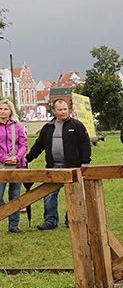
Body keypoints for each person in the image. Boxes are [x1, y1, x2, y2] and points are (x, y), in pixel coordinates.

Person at [25, 99, 92, 230]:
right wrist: (27, 159)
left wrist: (85, 162)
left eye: (65, 109)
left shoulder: (77, 126)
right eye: (60, 110)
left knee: (74, 193)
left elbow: (85, 145)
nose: (63, 112)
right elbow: (39, 145)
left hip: (73, 166)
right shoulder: (48, 128)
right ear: (54, 111)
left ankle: (71, 219)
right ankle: (50, 221)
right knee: (49, 194)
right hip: (53, 166)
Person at [0, 99, 28, 233]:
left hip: (17, 164)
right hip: (1, 164)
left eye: (5, 109)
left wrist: (17, 157)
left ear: (10, 111)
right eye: (0, 109)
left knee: (15, 195)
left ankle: (13, 225)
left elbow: (24, 144)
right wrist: (4, 158)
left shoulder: (16, 126)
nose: (3, 111)